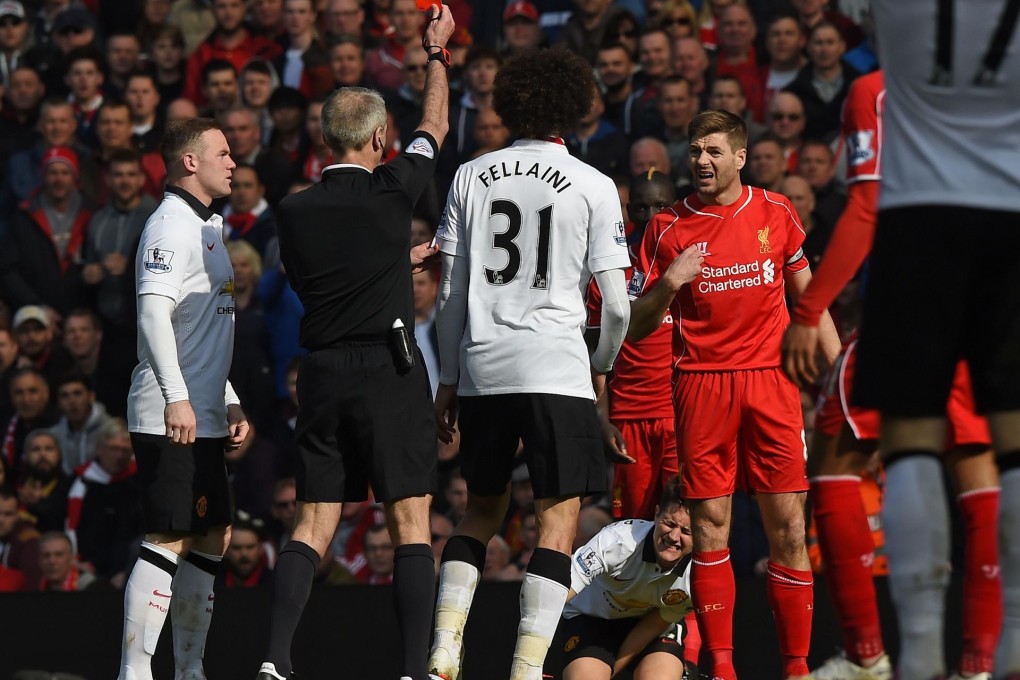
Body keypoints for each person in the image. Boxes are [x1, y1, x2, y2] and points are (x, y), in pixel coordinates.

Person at [255, 6, 455, 680]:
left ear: (323, 143)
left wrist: (390, 266)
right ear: (377, 139)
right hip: (388, 370)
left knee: (312, 523)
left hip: (321, 373)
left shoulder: (292, 208)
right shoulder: (395, 190)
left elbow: (298, 270)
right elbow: (435, 127)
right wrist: (436, 54)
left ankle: (275, 661)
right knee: (410, 523)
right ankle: (410, 670)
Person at [427, 45, 633, 680]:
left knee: (480, 510)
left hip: (486, 368)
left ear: (509, 104)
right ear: (571, 110)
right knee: (557, 520)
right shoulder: (595, 185)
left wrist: (453, 379)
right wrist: (596, 364)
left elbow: (449, 295)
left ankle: (444, 648)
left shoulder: (469, 174)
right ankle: (526, 668)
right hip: (557, 368)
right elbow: (620, 307)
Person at [627, 109, 840, 680]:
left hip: (771, 382)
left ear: (740, 157)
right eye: (695, 151)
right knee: (710, 527)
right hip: (701, 384)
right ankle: (722, 669)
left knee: (790, 527)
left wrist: (840, 371)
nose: (701, 161)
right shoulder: (667, 227)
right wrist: (670, 283)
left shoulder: (775, 211)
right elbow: (635, 324)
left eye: (714, 151)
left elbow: (809, 299)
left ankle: (796, 668)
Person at [119, 117, 250, 680]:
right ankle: (136, 670)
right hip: (171, 412)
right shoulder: (170, 225)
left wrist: (231, 397)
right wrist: (176, 398)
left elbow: (199, 330)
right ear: (189, 162)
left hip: (203, 410)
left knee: (212, 533)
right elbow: (153, 315)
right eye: (222, 153)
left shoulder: (208, 227)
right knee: (169, 533)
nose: (233, 162)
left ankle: (190, 669)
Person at [585, 170, 676, 521]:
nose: (652, 217)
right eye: (641, 208)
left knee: (685, 521)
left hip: (679, 416)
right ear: (628, 211)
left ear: (676, 207)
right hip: (627, 419)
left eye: (661, 206)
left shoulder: (692, 266)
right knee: (633, 527)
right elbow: (594, 359)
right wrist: (602, 417)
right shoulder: (609, 271)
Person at [551, 476, 695, 680]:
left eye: (686, 531)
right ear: (655, 515)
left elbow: (650, 626)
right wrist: (531, 655)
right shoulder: (618, 541)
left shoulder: (698, 573)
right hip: (592, 620)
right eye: (669, 523)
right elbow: (558, 593)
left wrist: (613, 671)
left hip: (647, 625)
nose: (673, 537)